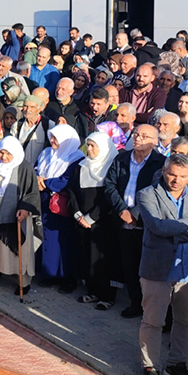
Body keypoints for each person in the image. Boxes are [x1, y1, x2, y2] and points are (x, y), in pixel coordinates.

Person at [136, 154, 188, 375]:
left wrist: (177, 228)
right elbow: (156, 226)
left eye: (182, 176)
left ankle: (177, 364)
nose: (176, 180)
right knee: (153, 321)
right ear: (163, 171)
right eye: (172, 174)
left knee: (186, 321)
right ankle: (150, 367)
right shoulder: (147, 194)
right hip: (157, 268)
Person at [103, 124, 165, 318]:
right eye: (136, 134)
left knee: (145, 268)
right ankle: (135, 303)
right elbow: (110, 185)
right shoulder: (121, 158)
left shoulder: (161, 163)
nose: (138, 138)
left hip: (146, 223)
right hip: (121, 219)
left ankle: (151, 308)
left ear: (155, 142)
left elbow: (158, 190)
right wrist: (122, 210)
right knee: (128, 264)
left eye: (144, 136)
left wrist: (135, 214)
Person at [0, 136, 40, 295]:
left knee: (18, 247)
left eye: (7, 153)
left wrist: (25, 209)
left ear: (15, 153)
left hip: (16, 215)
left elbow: (31, 193)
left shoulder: (24, 167)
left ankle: (24, 282)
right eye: (1, 152)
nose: (3, 157)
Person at [70, 130, 119, 307]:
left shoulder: (110, 167)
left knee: (102, 259)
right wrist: (77, 214)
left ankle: (107, 296)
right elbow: (72, 192)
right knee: (86, 255)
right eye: (88, 145)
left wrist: (91, 218)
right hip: (82, 219)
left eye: (93, 146)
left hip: (101, 222)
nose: (89, 149)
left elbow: (108, 197)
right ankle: (92, 291)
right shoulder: (81, 165)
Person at [36, 124, 84, 291]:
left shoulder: (76, 158)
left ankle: (67, 278)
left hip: (61, 204)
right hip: (44, 201)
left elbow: (66, 180)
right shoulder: (46, 153)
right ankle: (49, 274)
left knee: (64, 241)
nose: (53, 140)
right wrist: (38, 179)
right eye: (52, 137)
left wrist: (45, 182)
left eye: (56, 138)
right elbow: (36, 168)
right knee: (47, 239)